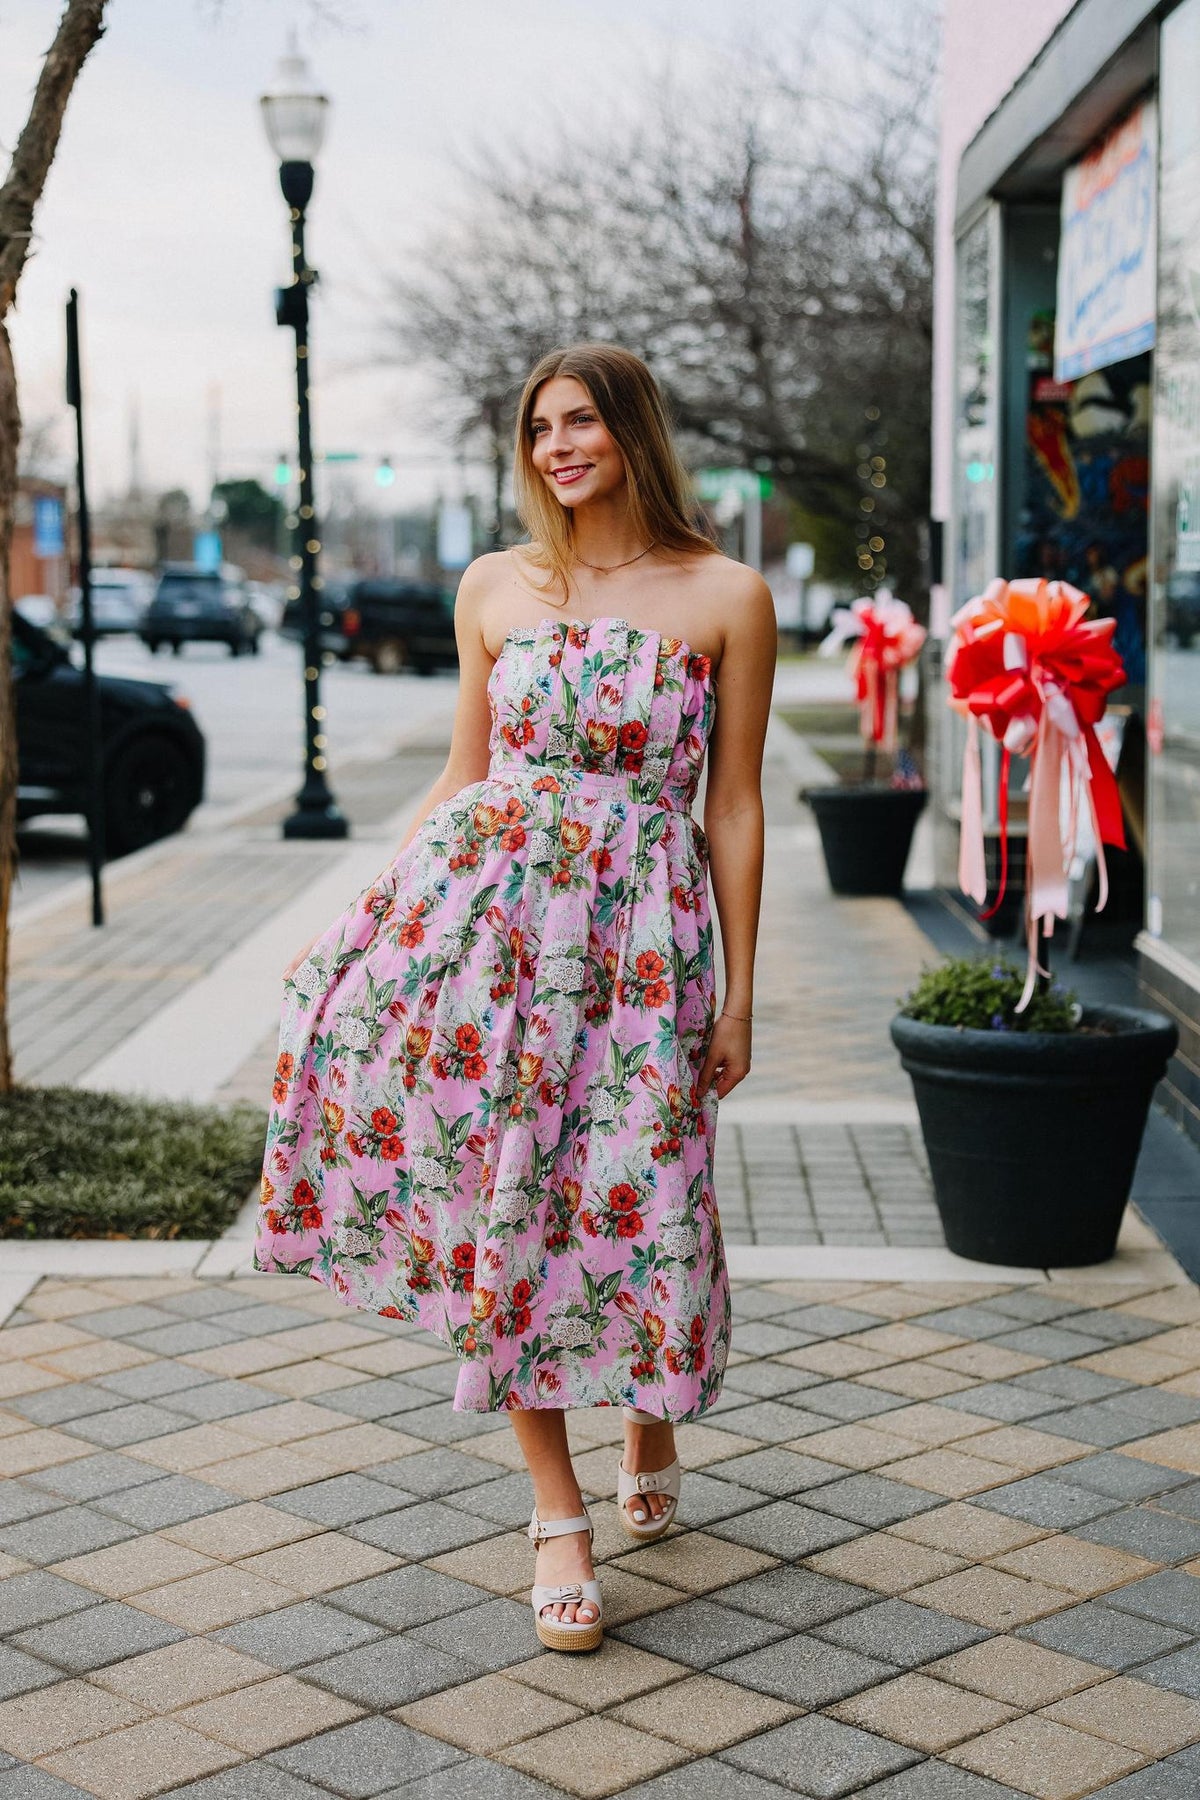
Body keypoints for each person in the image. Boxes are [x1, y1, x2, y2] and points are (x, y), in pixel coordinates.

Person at [255, 342, 776, 1653]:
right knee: (513, 1199)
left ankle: (649, 1412)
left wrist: (740, 994)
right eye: (539, 427)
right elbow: (462, 775)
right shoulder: (496, 585)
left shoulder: (726, 593)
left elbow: (735, 805)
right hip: (494, 934)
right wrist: (357, 924)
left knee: (647, 1191)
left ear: (633, 433)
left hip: (645, 944)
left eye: (581, 420)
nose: (556, 446)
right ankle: (556, 1512)